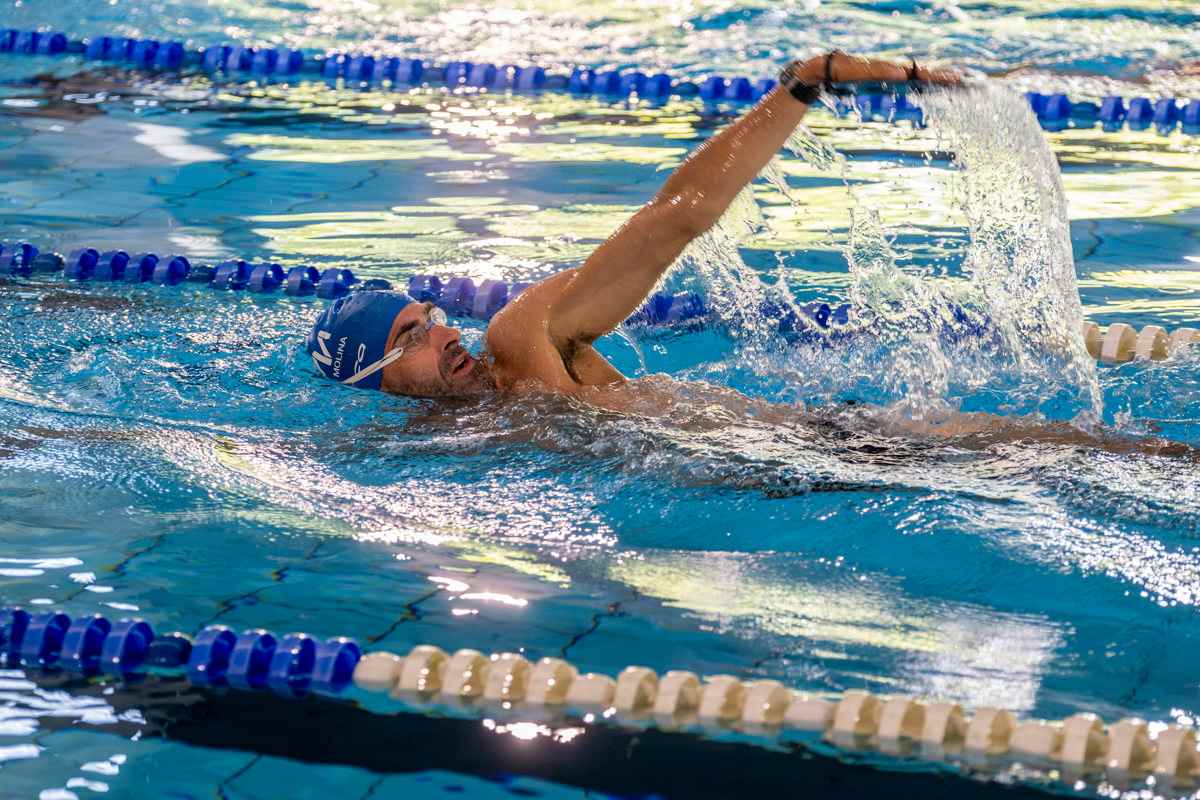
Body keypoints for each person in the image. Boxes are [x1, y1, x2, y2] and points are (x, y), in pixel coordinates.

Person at [306, 51, 959, 401]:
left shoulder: (524, 342)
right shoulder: (440, 449)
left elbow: (677, 219)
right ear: (377, 381)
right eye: (411, 336)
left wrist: (800, 88)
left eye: (428, 316)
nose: (446, 332)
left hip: (830, 447)